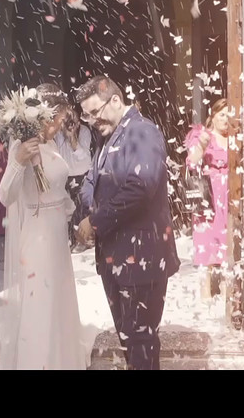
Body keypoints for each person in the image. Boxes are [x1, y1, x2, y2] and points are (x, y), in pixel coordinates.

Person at [0, 83, 93, 370]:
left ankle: (60, 359)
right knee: (40, 301)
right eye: (60, 119)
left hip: (56, 233)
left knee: (56, 299)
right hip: (38, 236)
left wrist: (73, 139)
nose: (61, 125)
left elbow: (72, 173)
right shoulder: (23, 146)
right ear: (45, 116)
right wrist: (17, 162)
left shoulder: (52, 144)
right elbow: (6, 196)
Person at [75, 76, 181, 370]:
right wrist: (93, 207)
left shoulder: (143, 132)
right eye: (87, 115)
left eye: (95, 112)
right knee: (130, 343)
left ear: (116, 101)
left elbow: (141, 188)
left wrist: (96, 221)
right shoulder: (108, 137)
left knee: (141, 343)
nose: (92, 121)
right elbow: (89, 182)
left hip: (142, 261)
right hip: (116, 261)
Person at [184, 98, 231, 302]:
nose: (226, 119)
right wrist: (202, 145)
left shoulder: (234, 137)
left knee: (226, 239)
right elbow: (192, 161)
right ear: (213, 116)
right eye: (222, 114)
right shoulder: (204, 136)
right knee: (207, 239)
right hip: (209, 195)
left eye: (229, 115)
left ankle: (225, 286)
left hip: (229, 195)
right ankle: (205, 290)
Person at [53, 107, 92, 252]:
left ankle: (81, 240)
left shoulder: (84, 132)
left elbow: (83, 157)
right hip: (64, 175)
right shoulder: (57, 134)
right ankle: (68, 239)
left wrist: (72, 138)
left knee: (80, 209)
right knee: (66, 210)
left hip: (81, 174)